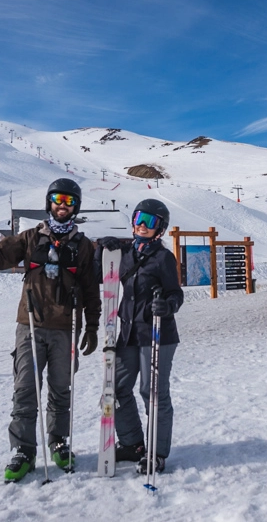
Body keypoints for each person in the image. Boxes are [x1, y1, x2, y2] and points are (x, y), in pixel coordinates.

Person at [0, 178, 101, 483]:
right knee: (25, 391)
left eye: (69, 201)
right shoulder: (31, 237)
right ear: (49, 202)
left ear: (76, 207)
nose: (63, 206)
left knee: (61, 391)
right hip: (31, 325)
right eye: (58, 200)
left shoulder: (84, 245)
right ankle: (23, 450)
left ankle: (59, 442)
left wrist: (92, 326)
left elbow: (90, 289)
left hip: (65, 328)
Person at [95, 199, 184, 474]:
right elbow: (105, 275)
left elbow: (175, 294)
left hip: (157, 333)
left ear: (160, 229)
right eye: (139, 218)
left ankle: (156, 451)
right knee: (118, 387)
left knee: (152, 391)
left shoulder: (163, 258)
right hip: (128, 332)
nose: (142, 225)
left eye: (151, 221)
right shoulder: (126, 254)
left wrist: (167, 305)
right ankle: (133, 443)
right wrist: (102, 249)